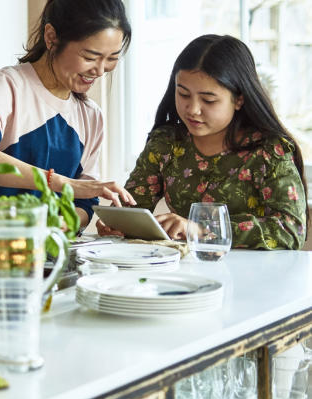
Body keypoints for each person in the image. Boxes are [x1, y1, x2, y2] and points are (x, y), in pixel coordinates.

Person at [0, 0, 135, 230]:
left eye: (111, 59)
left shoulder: (91, 116)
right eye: (90, 56)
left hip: (48, 254)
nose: (100, 70)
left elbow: (85, 200)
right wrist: (58, 182)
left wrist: (61, 223)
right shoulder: (7, 85)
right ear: (51, 37)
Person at [118, 34, 306, 249]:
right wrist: (120, 224)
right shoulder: (166, 143)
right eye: (183, 94)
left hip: (254, 275)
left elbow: (291, 231)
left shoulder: (269, 151)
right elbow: (132, 208)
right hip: (183, 271)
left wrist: (201, 229)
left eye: (208, 100)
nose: (193, 109)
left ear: (239, 99)